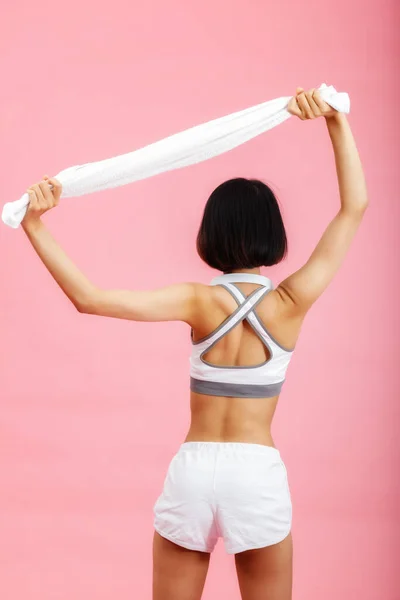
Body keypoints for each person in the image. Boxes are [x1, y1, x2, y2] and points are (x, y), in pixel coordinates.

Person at [20, 87, 368, 600]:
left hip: (193, 474)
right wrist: (334, 120)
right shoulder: (291, 302)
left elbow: (88, 298)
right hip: (256, 474)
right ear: (274, 233)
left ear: (209, 234)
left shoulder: (194, 302)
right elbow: (353, 208)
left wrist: (32, 222)